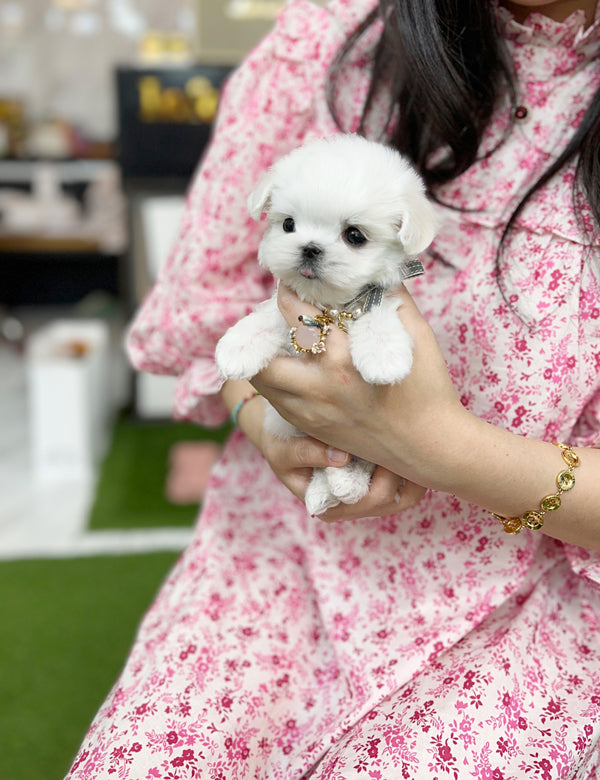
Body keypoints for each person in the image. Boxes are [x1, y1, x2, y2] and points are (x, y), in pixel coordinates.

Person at [66, 0, 600, 777]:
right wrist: (268, 417)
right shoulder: (332, 39)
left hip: (538, 598)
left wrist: (435, 446)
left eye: (351, 236)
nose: (311, 250)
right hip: (287, 547)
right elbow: (210, 303)